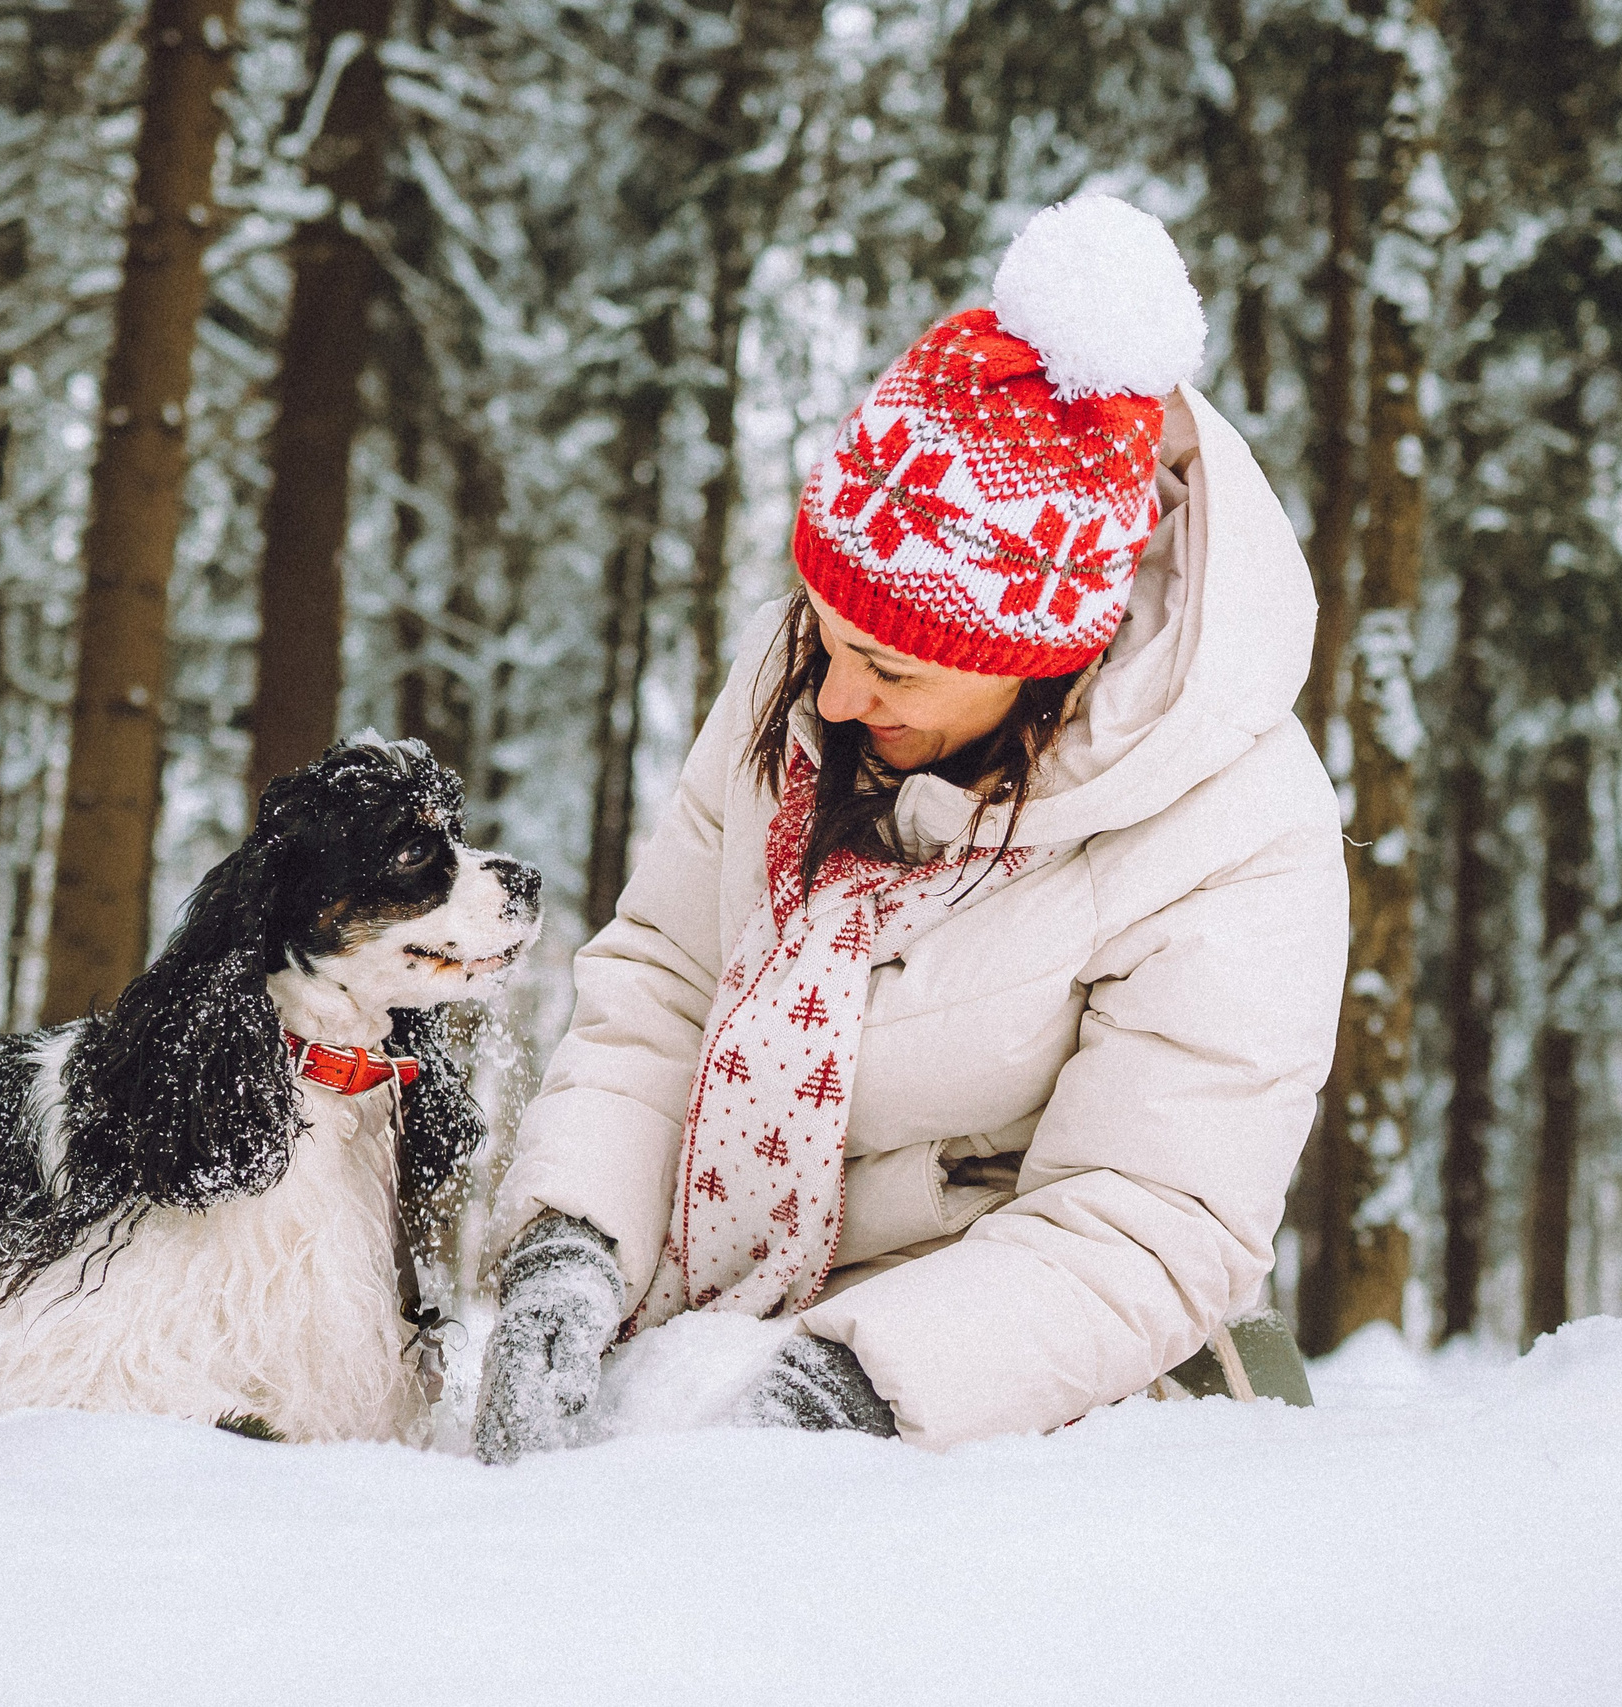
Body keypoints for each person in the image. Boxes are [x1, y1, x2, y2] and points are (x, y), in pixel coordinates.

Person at [473, 196, 1346, 1459]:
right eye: (826, 637)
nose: (830, 695)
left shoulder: (1236, 828)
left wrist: (850, 1390)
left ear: (1041, 661)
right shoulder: (812, 679)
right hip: (745, 1303)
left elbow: (1147, 1217)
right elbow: (667, 982)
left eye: (889, 666)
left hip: (1023, 1378)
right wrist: (572, 1239)